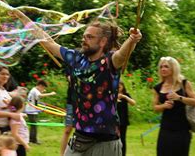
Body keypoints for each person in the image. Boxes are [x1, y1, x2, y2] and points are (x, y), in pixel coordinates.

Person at [13, 10, 142, 156]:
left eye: (89, 37)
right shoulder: (76, 58)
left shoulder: (109, 61)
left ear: (103, 42)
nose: (84, 39)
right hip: (79, 139)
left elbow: (122, 55)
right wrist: (22, 17)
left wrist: (132, 40)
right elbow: (48, 42)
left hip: (105, 142)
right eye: (84, 36)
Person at [153, 56, 195, 156]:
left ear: (174, 68)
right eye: (161, 67)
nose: (163, 69)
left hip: (182, 129)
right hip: (165, 128)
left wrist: (179, 98)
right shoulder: (157, 87)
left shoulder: (184, 84)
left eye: (166, 66)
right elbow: (155, 108)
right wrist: (164, 106)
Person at [24, 79, 56, 144]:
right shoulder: (35, 91)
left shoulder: (34, 90)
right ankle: (33, 140)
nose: (43, 89)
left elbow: (38, 95)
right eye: (43, 88)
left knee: (34, 126)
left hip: (31, 110)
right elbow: (40, 95)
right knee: (34, 126)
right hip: (31, 110)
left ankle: (32, 139)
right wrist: (50, 93)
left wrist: (42, 91)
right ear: (40, 85)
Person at [117, 81, 135, 156]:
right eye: (117, 87)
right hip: (114, 120)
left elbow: (133, 103)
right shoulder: (112, 94)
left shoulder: (126, 95)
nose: (118, 88)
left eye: (119, 87)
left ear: (123, 87)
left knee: (123, 139)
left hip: (123, 120)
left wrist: (124, 97)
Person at [59, 74, 74, 156]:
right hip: (72, 102)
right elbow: (71, 79)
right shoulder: (71, 64)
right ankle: (62, 154)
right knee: (67, 130)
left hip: (86, 103)